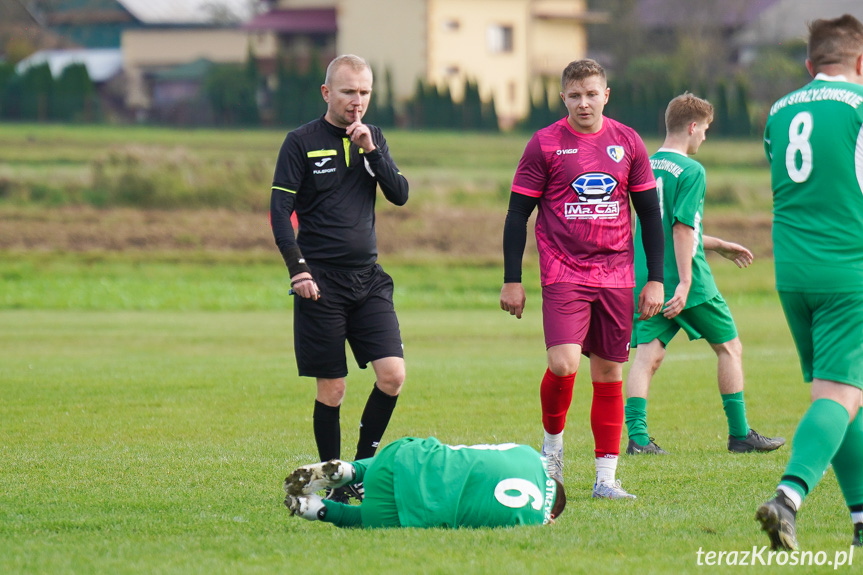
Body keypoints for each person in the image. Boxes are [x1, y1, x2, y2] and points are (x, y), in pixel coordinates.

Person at [500, 58, 666, 500]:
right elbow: (518, 213)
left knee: (610, 372)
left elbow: (650, 214)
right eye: (575, 95)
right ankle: (551, 449)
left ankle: (606, 480)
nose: (584, 103)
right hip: (562, 271)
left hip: (616, 275)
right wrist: (512, 278)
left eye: (592, 94)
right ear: (563, 99)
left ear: (605, 95)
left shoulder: (628, 141)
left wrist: (657, 279)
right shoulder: (545, 143)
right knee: (563, 364)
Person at [270, 54, 409, 503]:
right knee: (333, 388)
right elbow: (278, 212)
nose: (357, 101)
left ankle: (361, 469)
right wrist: (298, 269)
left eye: (365, 92)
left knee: (393, 375)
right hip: (320, 283)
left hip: (368, 279)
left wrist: (372, 149)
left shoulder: (373, 139)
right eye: (348, 92)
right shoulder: (300, 142)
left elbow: (400, 195)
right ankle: (332, 479)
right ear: (328, 93)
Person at [624, 93, 785, 456]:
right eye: (706, 130)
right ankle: (740, 435)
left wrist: (719, 243)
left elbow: (663, 226)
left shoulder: (645, 166)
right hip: (688, 279)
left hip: (649, 278)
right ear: (692, 126)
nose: (705, 138)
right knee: (729, 347)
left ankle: (637, 439)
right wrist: (684, 282)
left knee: (647, 356)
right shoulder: (693, 171)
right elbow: (682, 229)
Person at [756, 14, 863, 551]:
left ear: (809, 65)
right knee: (841, 392)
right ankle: (788, 497)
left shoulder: (779, 111)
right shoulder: (860, 109)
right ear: (861, 63)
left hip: (793, 273)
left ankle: (862, 519)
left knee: (843, 395)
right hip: (850, 268)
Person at [283, 436, 566, 528]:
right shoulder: (531, 520)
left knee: (419, 456)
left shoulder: (529, 455)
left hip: (397, 462)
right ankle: (318, 510)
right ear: (551, 514)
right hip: (390, 514)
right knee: (364, 518)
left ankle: (349, 471)